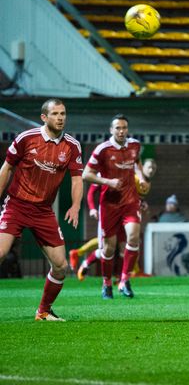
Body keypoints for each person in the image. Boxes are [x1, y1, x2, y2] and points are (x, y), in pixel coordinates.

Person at [0, 99, 83, 321]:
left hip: (44, 211)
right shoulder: (26, 139)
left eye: (63, 113)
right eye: (55, 113)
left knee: (61, 266)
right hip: (16, 205)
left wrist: (75, 206)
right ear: (44, 117)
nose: (60, 117)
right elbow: (7, 167)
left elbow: (77, 179)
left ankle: (43, 311)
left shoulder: (72, 146)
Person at [82, 114, 148, 300]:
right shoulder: (102, 150)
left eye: (124, 128)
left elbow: (137, 163)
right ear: (111, 130)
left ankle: (125, 280)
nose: (121, 131)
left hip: (130, 201)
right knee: (109, 249)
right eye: (118, 128)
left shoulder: (135, 145)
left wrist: (141, 177)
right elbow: (86, 174)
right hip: (109, 204)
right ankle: (106, 283)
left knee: (134, 237)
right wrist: (107, 181)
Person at [70, 158, 157, 274]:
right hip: (108, 212)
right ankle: (82, 259)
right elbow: (91, 192)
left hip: (124, 213)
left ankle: (125, 276)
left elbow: (133, 196)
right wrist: (92, 209)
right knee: (106, 247)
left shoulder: (134, 177)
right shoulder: (104, 174)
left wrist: (142, 204)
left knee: (125, 244)